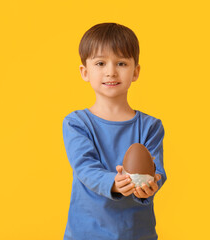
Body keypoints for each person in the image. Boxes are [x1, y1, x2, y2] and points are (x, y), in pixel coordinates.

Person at [62, 22, 167, 240]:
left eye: (121, 63)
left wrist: (151, 183)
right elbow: (85, 167)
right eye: (100, 63)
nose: (111, 72)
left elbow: (156, 169)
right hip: (86, 233)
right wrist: (113, 182)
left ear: (135, 72)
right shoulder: (76, 123)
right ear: (85, 72)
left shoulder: (151, 126)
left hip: (137, 233)